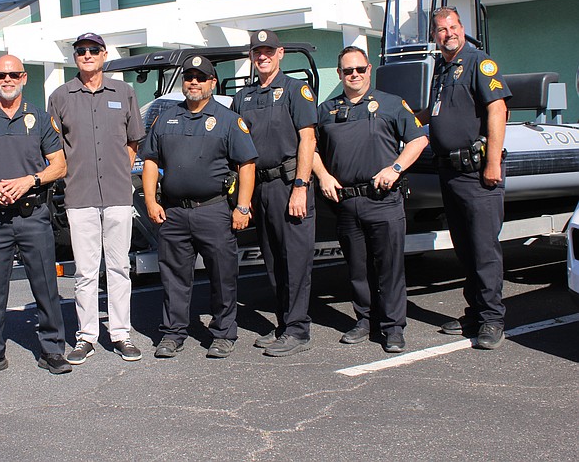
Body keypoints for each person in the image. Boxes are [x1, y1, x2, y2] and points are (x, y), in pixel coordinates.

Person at [312, 47, 428, 353]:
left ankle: (393, 327)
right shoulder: (326, 110)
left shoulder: (391, 104)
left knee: (389, 267)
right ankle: (364, 320)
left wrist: (395, 168)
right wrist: (323, 176)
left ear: (369, 69)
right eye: (348, 70)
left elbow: (418, 139)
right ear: (339, 74)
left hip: (383, 200)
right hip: (346, 202)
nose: (354, 75)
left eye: (360, 69)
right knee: (357, 268)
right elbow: (310, 149)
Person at [141, 55, 257, 359]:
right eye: (189, 77)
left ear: (212, 83)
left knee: (223, 276)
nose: (194, 82)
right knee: (173, 278)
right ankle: (173, 333)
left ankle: (223, 333)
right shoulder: (166, 119)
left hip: (214, 210)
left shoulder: (229, 120)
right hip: (174, 213)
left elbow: (247, 165)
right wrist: (151, 200)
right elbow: (151, 160)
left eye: (201, 77)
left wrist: (242, 207)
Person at [0, 54, 71, 376]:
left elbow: (59, 166)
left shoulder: (40, 118)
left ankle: (52, 350)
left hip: (32, 216)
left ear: (24, 78)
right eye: (1, 75)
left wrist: (30, 180)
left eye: (13, 74)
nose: (7, 80)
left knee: (46, 287)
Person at [48, 33, 145, 364]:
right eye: (80, 51)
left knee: (119, 268)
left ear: (104, 55)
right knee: (86, 273)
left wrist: (120, 170)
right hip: (80, 195)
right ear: (75, 57)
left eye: (93, 50)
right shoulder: (60, 97)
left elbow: (133, 141)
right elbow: (54, 148)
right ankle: (86, 337)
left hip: (117, 194)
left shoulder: (124, 93)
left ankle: (121, 334)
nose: (87, 55)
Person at [418, 7, 511, 350]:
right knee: (466, 248)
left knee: (484, 249)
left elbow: (498, 109)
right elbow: (436, 113)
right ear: (434, 35)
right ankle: (475, 313)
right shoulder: (442, 69)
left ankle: (492, 320)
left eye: (454, 26)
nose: (449, 33)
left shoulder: (478, 62)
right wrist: (404, 117)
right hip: (450, 172)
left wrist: (492, 163)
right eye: (442, 29)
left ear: (462, 28)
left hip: (476, 172)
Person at [231, 29, 317, 357]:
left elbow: (308, 139)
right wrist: (244, 197)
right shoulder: (244, 97)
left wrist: (301, 186)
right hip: (260, 187)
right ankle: (284, 323)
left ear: (280, 53)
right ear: (252, 57)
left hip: (288, 184)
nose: (262, 56)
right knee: (272, 261)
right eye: (257, 52)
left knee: (294, 260)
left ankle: (298, 329)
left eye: (268, 51)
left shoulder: (296, 90)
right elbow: (239, 149)